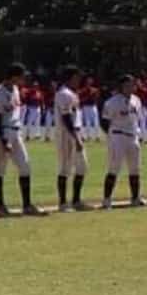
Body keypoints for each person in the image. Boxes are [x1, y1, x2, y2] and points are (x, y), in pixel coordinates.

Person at [0, 63, 43, 216]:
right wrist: (3, 139)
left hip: (16, 131)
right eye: (21, 76)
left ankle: (27, 205)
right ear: (14, 76)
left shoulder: (15, 89)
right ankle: (1, 207)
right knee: (0, 169)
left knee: (25, 166)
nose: (23, 79)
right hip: (3, 131)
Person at [100, 74, 144, 209]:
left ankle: (135, 198)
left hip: (133, 136)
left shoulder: (136, 100)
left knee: (135, 168)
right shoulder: (112, 102)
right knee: (114, 168)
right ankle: (107, 200)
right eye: (127, 85)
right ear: (121, 86)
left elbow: (137, 119)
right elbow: (104, 122)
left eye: (132, 85)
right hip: (118, 136)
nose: (131, 87)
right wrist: (111, 135)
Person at [54, 65, 92, 212]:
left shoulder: (72, 93)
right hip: (66, 134)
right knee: (65, 168)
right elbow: (66, 118)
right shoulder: (63, 93)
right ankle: (63, 203)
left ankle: (76, 201)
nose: (79, 79)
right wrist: (76, 138)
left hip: (75, 132)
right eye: (77, 77)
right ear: (71, 77)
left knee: (82, 166)